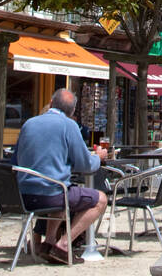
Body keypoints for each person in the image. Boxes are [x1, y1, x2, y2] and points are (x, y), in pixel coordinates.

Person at [14, 89, 107, 265]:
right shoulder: (69, 125)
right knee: (100, 200)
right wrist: (98, 157)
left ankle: (49, 244)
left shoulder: (28, 124)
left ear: (50, 102)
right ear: (72, 111)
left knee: (62, 188)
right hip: (50, 196)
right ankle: (63, 245)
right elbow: (85, 165)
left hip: (23, 196)